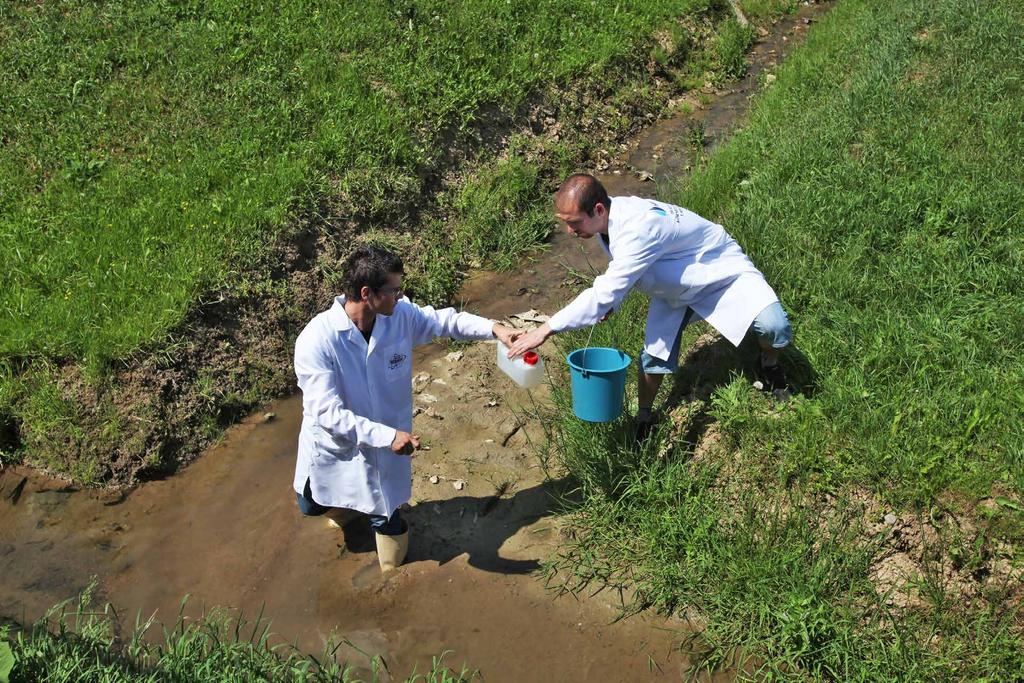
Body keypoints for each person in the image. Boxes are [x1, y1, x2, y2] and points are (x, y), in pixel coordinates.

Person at [507, 173, 792, 438]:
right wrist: (613, 301)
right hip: (672, 285)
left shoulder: (640, 228)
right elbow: (623, 271)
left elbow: (605, 288)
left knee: (774, 327)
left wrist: (544, 330)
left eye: (574, 222)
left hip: (718, 270)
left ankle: (768, 362)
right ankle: (644, 416)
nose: (569, 230)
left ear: (598, 210)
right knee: (654, 357)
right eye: (565, 222)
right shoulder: (610, 220)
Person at [293, 245, 520, 572]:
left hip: (389, 443)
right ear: (367, 293)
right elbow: (327, 414)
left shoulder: (397, 317)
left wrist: (495, 329)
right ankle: (346, 512)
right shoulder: (317, 340)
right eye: (394, 290)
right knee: (310, 504)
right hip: (340, 444)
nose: (401, 296)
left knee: (386, 514)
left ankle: (392, 579)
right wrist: (385, 436)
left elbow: (447, 322)